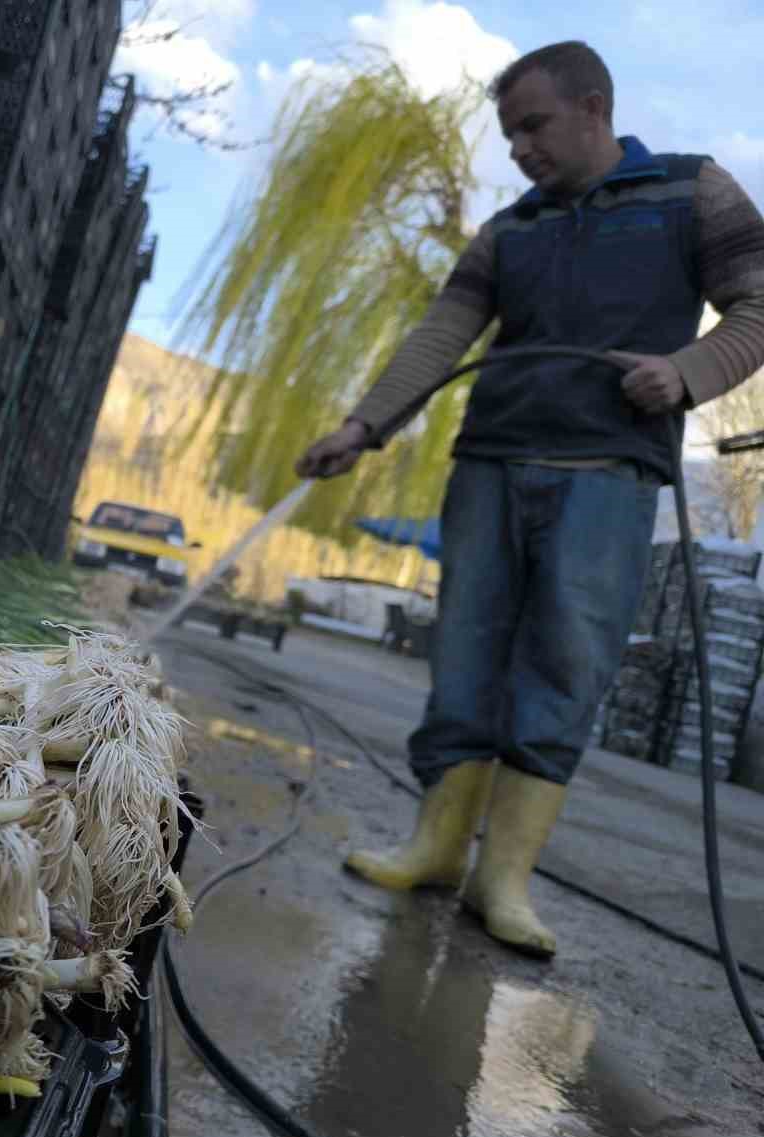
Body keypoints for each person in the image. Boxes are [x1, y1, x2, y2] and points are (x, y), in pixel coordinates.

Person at [296, 41, 764, 958]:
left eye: (533, 126)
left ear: (594, 107)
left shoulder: (691, 192)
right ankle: (436, 846)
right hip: (491, 462)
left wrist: (688, 371)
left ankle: (502, 878)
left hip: (609, 475)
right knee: (465, 652)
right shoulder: (511, 229)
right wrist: (363, 427)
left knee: (565, 662)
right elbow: (444, 334)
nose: (518, 149)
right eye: (509, 133)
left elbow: (758, 304)